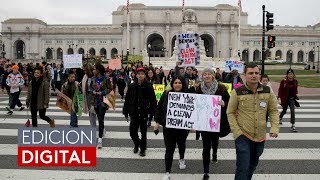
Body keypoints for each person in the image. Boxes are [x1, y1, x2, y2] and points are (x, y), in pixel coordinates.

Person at [227, 63, 279, 180]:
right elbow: (230, 112)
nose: (254, 75)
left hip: (260, 136)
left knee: (252, 165)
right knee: (242, 166)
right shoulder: (238, 92)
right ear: (244, 75)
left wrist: (274, 128)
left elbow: (274, 110)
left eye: (256, 73)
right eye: (250, 73)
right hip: (243, 135)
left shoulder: (267, 91)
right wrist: (237, 133)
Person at [194, 68, 230, 180]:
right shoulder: (198, 88)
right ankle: (206, 171)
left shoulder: (221, 88)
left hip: (216, 121)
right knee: (205, 147)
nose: (207, 76)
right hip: (204, 122)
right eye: (205, 74)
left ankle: (214, 153)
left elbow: (230, 102)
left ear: (213, 76)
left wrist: (224, 103)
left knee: (215, 140)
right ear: (202, 77)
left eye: (209, 74)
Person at [154, 76, 189, 180]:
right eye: (175, 83)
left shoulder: (187, 96)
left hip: (182, 128)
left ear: (182, 84)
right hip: (168, 127)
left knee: (181, 145)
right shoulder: (166, 94)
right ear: (172, 84)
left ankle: (181, 158)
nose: (177, 84)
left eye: (179, 83)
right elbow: (159, 108)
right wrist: (157, 122)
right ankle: (167, 172)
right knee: (169, 149)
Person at [123, 67, 157, 157]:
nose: (140, 75)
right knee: (132, 132)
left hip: (143, 112)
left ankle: (142, 149)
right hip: (133, 112)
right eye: (139, 74)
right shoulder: (132, 86)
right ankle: (137, 144)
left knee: (143, 132)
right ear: (136, 75)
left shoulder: (148, 86)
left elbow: (153, 101)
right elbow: (127, 100)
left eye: (142, 74)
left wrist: (151, 112)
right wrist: (125, 112)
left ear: (144, 75)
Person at [90, 63, 112, 148]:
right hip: (95, 102)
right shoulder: (92, 78)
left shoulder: (106, 78)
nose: (93, 71)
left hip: (103, 102)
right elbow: (90, 88)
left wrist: (102, 93)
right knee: (99, 117)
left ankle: (100, 140)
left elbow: (110, 88)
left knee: (101, 119)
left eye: (94, 69)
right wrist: (93, 92)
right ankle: (102, 130)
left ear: (98, 70)